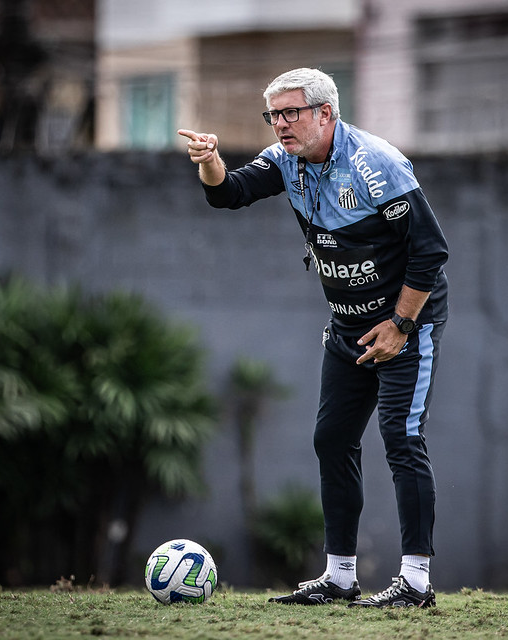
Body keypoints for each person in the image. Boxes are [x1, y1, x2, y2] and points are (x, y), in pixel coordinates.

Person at [179, 68, 448, 608]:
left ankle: (416, 582)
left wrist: (400, 325)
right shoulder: (288, 161)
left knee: (401, 440)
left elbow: (430, 251)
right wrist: (211, 161)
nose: (280, 124)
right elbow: (229, 194)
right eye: (273, 115)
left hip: (405, 325)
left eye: (290, 113)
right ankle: (340, 577)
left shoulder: (377, 164)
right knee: (332, 439)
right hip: (347, 328)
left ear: (325, 113)